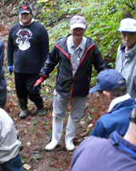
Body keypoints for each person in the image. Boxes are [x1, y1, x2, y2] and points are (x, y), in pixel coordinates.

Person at [34, 15, 105, 151]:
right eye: (75, 29)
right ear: (71, 29)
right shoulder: (60, 45)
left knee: (76, 115)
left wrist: (104, 82)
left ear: (85, 30)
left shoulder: (91, 47)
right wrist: (42, 76)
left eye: (80, 29)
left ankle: (69, 139)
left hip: (81, 87)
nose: (77, 32)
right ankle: (55, 139)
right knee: (58, 114)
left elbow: (100, 66)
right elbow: (50, 62)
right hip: (63, 86)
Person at [7, 4, 49, 119]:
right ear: (19, 15)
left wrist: (45, 67)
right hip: (19, 68)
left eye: (26, 14)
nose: (24, 17)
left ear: (31, 14)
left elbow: (45, 50)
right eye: (22, 14)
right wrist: (10, 63)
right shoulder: (14, 29)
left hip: (35, 68)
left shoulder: (40, 29)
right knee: (20, 90)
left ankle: (40, 106)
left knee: (33, 89)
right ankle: (23, 108)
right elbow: (10, 48)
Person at [90, 69, 136, 138]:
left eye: (99, 95)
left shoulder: (105, 123)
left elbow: (92, 147)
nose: (99, 98)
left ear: (106, 94)